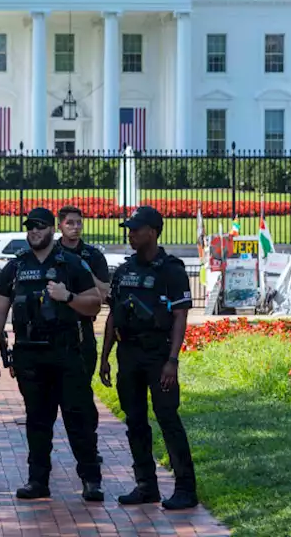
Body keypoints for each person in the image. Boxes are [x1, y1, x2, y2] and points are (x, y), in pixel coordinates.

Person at [0, 207, 105, 502]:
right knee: (37, 421)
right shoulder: (15, 268)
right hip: (29, 355)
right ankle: (38, 481)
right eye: (30, 227)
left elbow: (94, 305)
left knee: (77, 418)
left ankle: (91, 480)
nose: (34, 232)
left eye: (39, 227)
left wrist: (69, 297)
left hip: (66, 353)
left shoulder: (72, 264)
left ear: (52, 230)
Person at [99, 205, 199, 510]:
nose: (130, 234)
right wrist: (104, 358)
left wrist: (172, 361)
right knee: (135, 421)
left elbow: (180, 316)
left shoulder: (172, 269)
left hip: (158, 355)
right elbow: (113, 316)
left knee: (168, 419)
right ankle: (146, 486)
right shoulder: (126, 270)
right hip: (128, 354)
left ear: (153, 232)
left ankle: (185, 489)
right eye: (129, 229)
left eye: (136, 229)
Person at [54, 205, 112, 376]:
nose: (75, 228)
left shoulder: (93, 255)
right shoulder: (52, 253)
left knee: (82, 389)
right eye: (70, 223)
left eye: (79, 223)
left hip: (83, 326)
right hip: (55, 327)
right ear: (60, 226)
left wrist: (84, 270)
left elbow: (103, 294)